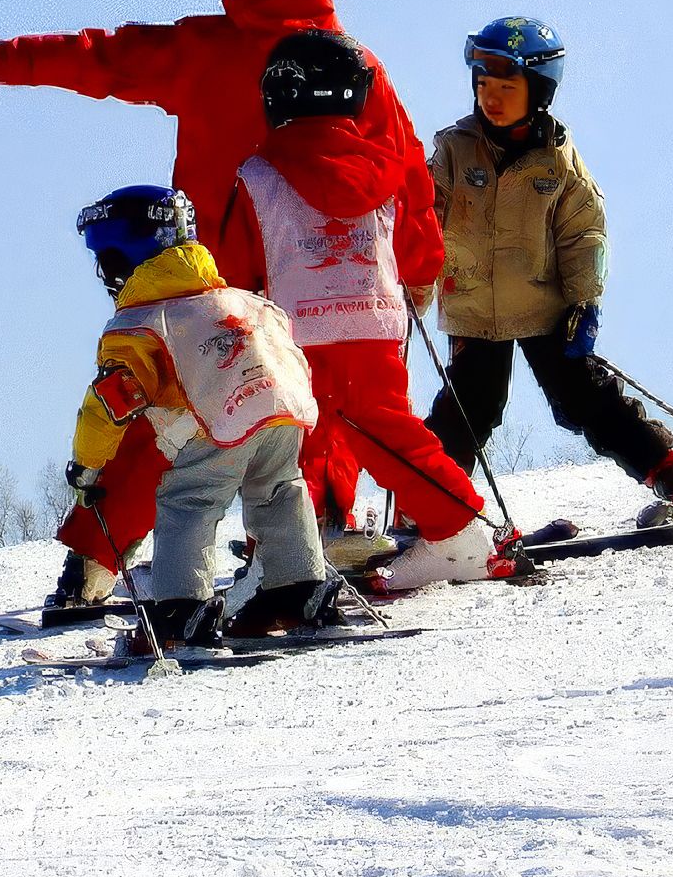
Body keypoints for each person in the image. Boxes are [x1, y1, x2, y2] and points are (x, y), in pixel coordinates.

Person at [0, 0, 436, 615]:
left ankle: (97, 560)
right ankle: (315, 532)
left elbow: (100, 57)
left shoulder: (202, 49)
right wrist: (416, 266)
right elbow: (405, 174)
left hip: (207, 284)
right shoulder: (355, 69)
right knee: (318, 403)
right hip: (327, 273)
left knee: (167, 409)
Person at [214, 31, 506, 591]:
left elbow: (235, 267)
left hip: (296, 333)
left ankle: (290, 554)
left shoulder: (257, 177)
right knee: (388, 431)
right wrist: (418, 280)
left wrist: (233, 325)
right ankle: (452, 528)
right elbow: (419, 246)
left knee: (288, 443)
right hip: (374, 323)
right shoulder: (387, 169)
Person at [422, 18, 673, 527]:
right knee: (467, 411)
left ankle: (670, 471)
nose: (492, 98)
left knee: (583, 399)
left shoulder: (556, 159)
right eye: (483, 85)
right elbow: (423, 220)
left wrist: (584, 300)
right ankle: (432, 515)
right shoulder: (454, 150)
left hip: (544, 305)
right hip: (473, 308)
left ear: (540, 91)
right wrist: (412, 286)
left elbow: (584, 232)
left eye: (507, 87)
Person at [60, 185, 336, 650]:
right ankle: (299, 589)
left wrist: (88, 465)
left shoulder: (140, 324)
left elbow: (108, 407)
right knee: (278, 492)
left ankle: (179, 611)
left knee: (189, 499)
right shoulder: (237, 300)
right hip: (281, 412)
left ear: (120, 261)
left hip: (213, 426)